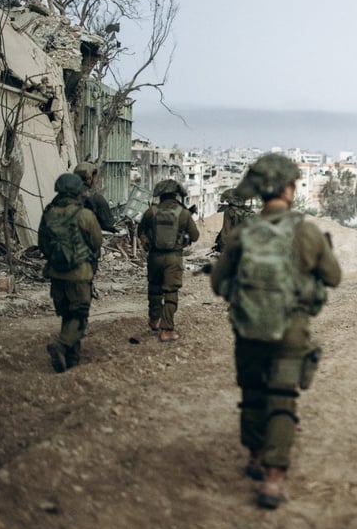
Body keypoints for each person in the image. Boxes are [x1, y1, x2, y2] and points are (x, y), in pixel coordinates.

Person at [210, 153, 342, 509]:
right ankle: (273, 477)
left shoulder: (243, 232)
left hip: (248, 327)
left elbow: (218, 282)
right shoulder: (306, 230)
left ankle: (254, 456)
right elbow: (334, 277)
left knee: (253, 392)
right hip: (291, 330)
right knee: (282, 398)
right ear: (287, 188)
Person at [38, 173, 103, 373]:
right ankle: (61, 345)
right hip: (80, 274)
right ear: (78, 192)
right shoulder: (85, 215)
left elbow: (42, 244)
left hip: (56, 274)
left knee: (68, 314)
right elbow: (97, 242)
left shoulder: (48, 213)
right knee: (79, 314)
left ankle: (71, 359)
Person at [138, 179, 200, 342]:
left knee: (155, 289)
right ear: (175, 194)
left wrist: (146, 241)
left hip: (154, 257)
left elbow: (140, 230)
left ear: (162, 195)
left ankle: (154, 320)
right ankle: (167, 330)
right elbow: (195, 236)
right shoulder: (184, 213)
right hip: (173, 258)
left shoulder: (151, 211)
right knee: (170, 292)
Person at [74, 161, 117, 233]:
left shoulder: (63, 196)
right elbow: (109, 226)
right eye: (95, 177)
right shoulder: (96, 198)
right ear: (90, 178)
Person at [214, 187, 254, 253]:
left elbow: (226, 231)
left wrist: (223, 250)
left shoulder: (229, 211)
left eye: (227, 200)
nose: (226, 201)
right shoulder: (247, 210)